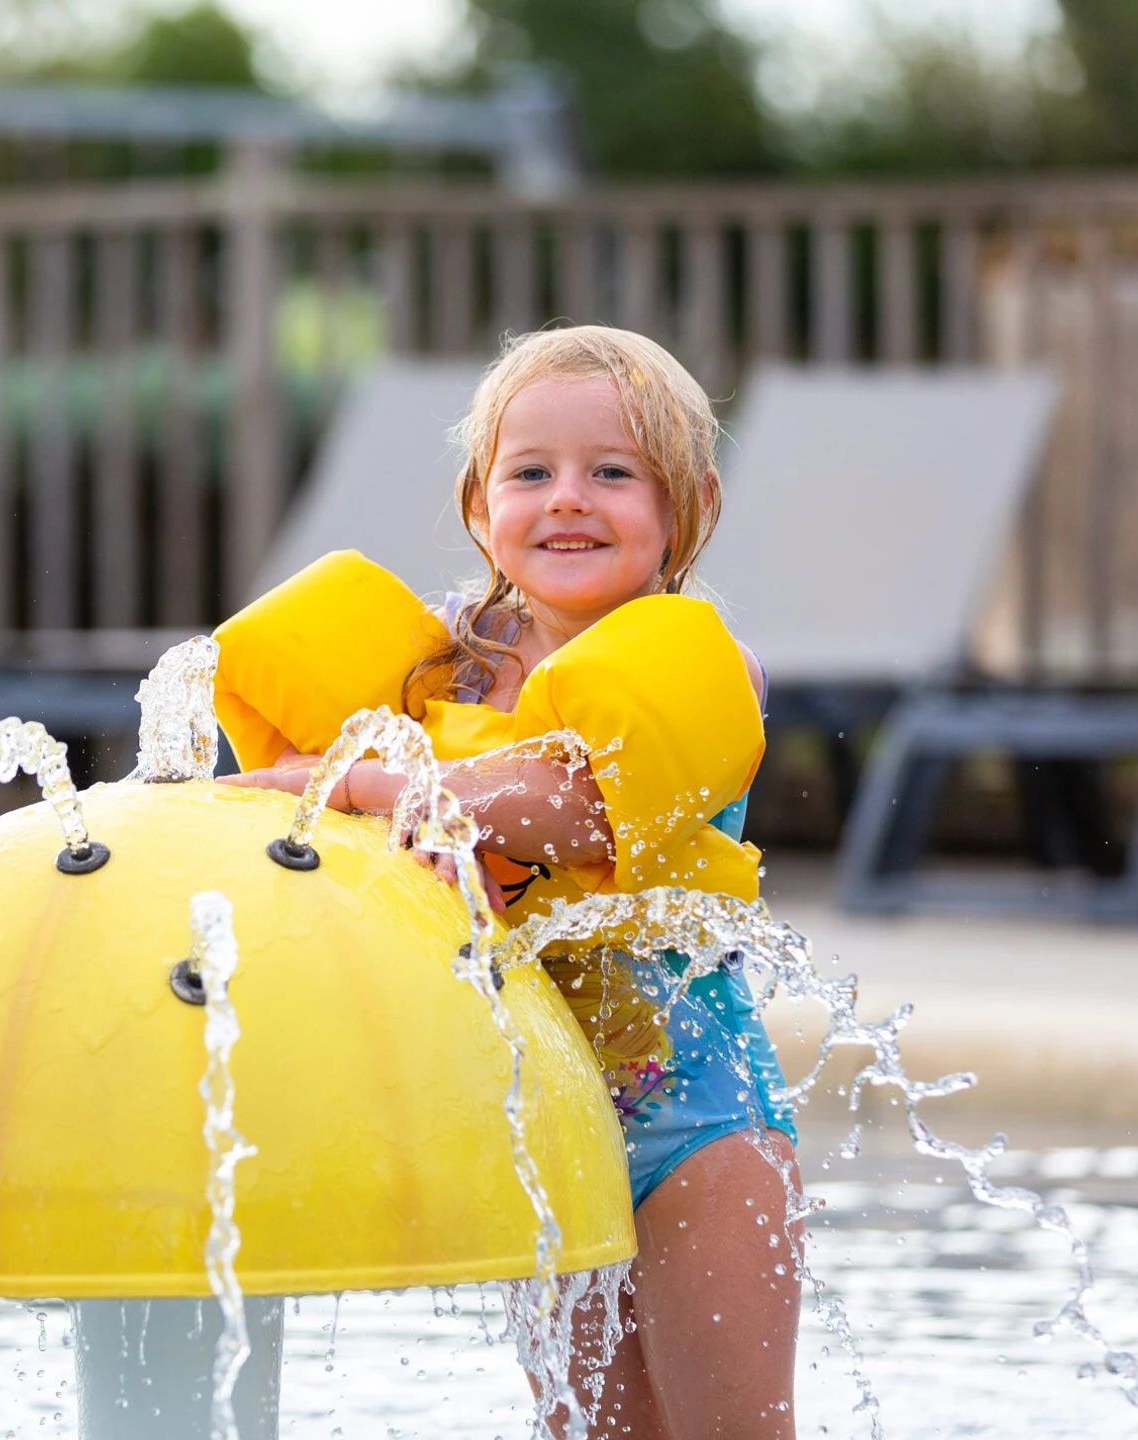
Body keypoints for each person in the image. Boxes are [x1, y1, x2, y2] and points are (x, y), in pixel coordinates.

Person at [211, 325, 801, 1438]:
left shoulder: (706, 661)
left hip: (702, 1128)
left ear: (690, 504)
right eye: (531, 473)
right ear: (480, 504)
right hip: (543, 1130)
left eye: (613, 473)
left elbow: (578, 801)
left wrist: (368, 785)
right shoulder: (435, 672)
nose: (568, 499)